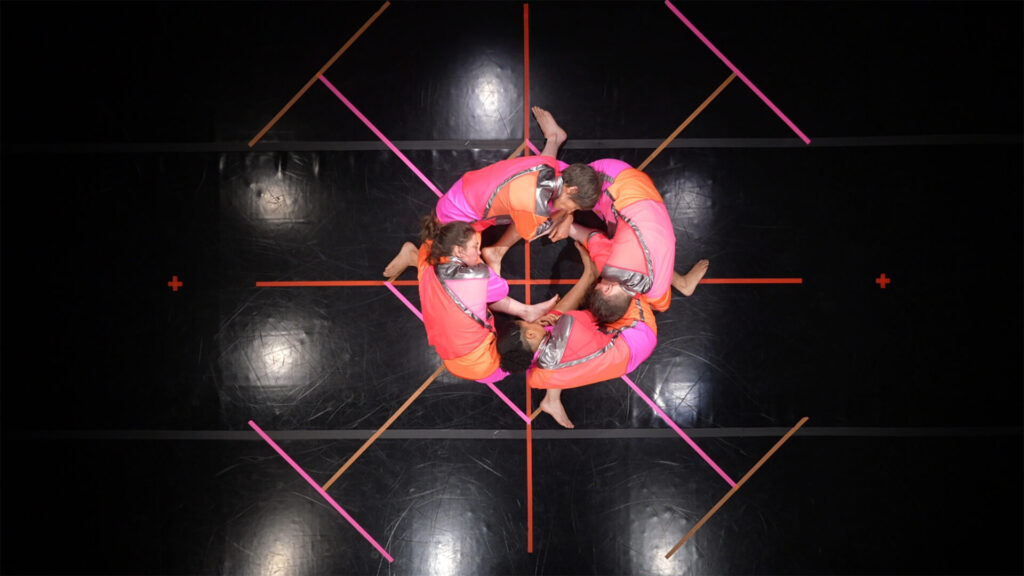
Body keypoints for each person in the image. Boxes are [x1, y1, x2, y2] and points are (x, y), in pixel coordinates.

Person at [383, 216, 559, 383]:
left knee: (461, 294)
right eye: (476, 247)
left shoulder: (430, 260)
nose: (479, 251)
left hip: (461, 353)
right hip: (457, 360)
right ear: (459, 250)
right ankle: (526, 312)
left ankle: (527, 312)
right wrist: (481, 264)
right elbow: (501, 290)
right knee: (481, 299)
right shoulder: (474, 277)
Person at [435, 107, 603, 276]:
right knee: (471, 266)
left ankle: (554, 138)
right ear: (572, 190)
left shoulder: (552, 167)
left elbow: (548, 165)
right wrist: (564, 216)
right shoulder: (535, 204)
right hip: (461, 213)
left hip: (466, 188)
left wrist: (566, 215)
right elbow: (531, 233)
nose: (571, 210)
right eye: (575, 206)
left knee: (539, 208)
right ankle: (496, 252)